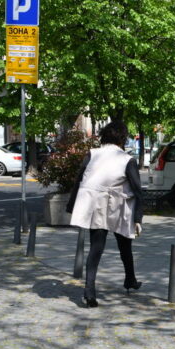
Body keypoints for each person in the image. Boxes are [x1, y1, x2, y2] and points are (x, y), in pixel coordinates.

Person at [66, 123, 143, 308]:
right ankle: (129, 280)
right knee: (125, 245)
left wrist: (72, 206)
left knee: (96, 248)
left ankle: (90, 291)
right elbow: (138, 190)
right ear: (122, 138)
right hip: (117, 207)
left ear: (104, 137)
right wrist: (138, 218)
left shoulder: (92, 154)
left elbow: (79, 179)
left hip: (95, 205)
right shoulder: (126, 159)